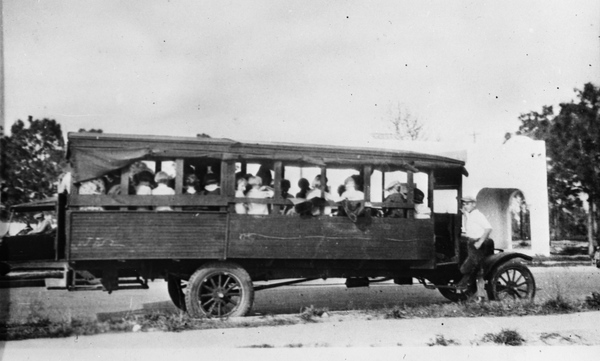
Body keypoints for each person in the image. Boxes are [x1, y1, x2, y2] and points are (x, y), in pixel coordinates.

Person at [455, 195, 493, 302]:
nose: (465, 206)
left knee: (474, 268)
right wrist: (464, 213)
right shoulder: (471, 214)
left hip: (477, 244)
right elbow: (468, 217)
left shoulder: (478, 215)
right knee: (474, 268)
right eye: (464, 204)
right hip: (471, 242)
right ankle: (477, 294)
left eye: (467, 204)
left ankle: (465, 287)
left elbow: (488, 228)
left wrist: (480, 242)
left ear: (474, 204)